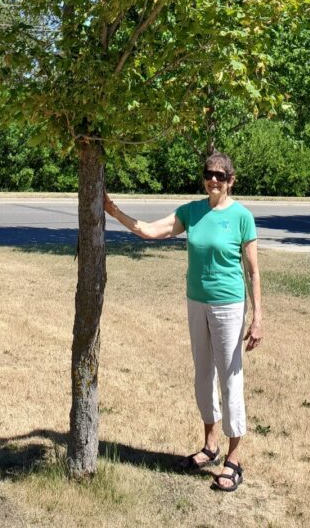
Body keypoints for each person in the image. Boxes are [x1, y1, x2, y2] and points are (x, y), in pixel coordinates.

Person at [104, 151, 262, 493]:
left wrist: (258, 316)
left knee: (230, 378)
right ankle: (210, 445)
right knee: (203, 374)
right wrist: (114, 212)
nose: (214, 180)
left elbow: (252, 269)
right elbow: (150, 231)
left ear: (231, 181)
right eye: (209, 174)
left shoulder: (241, 217)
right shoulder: (192, 212)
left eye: (221, 176)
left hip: (229, 306)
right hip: (196, 303)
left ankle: (234, 459)